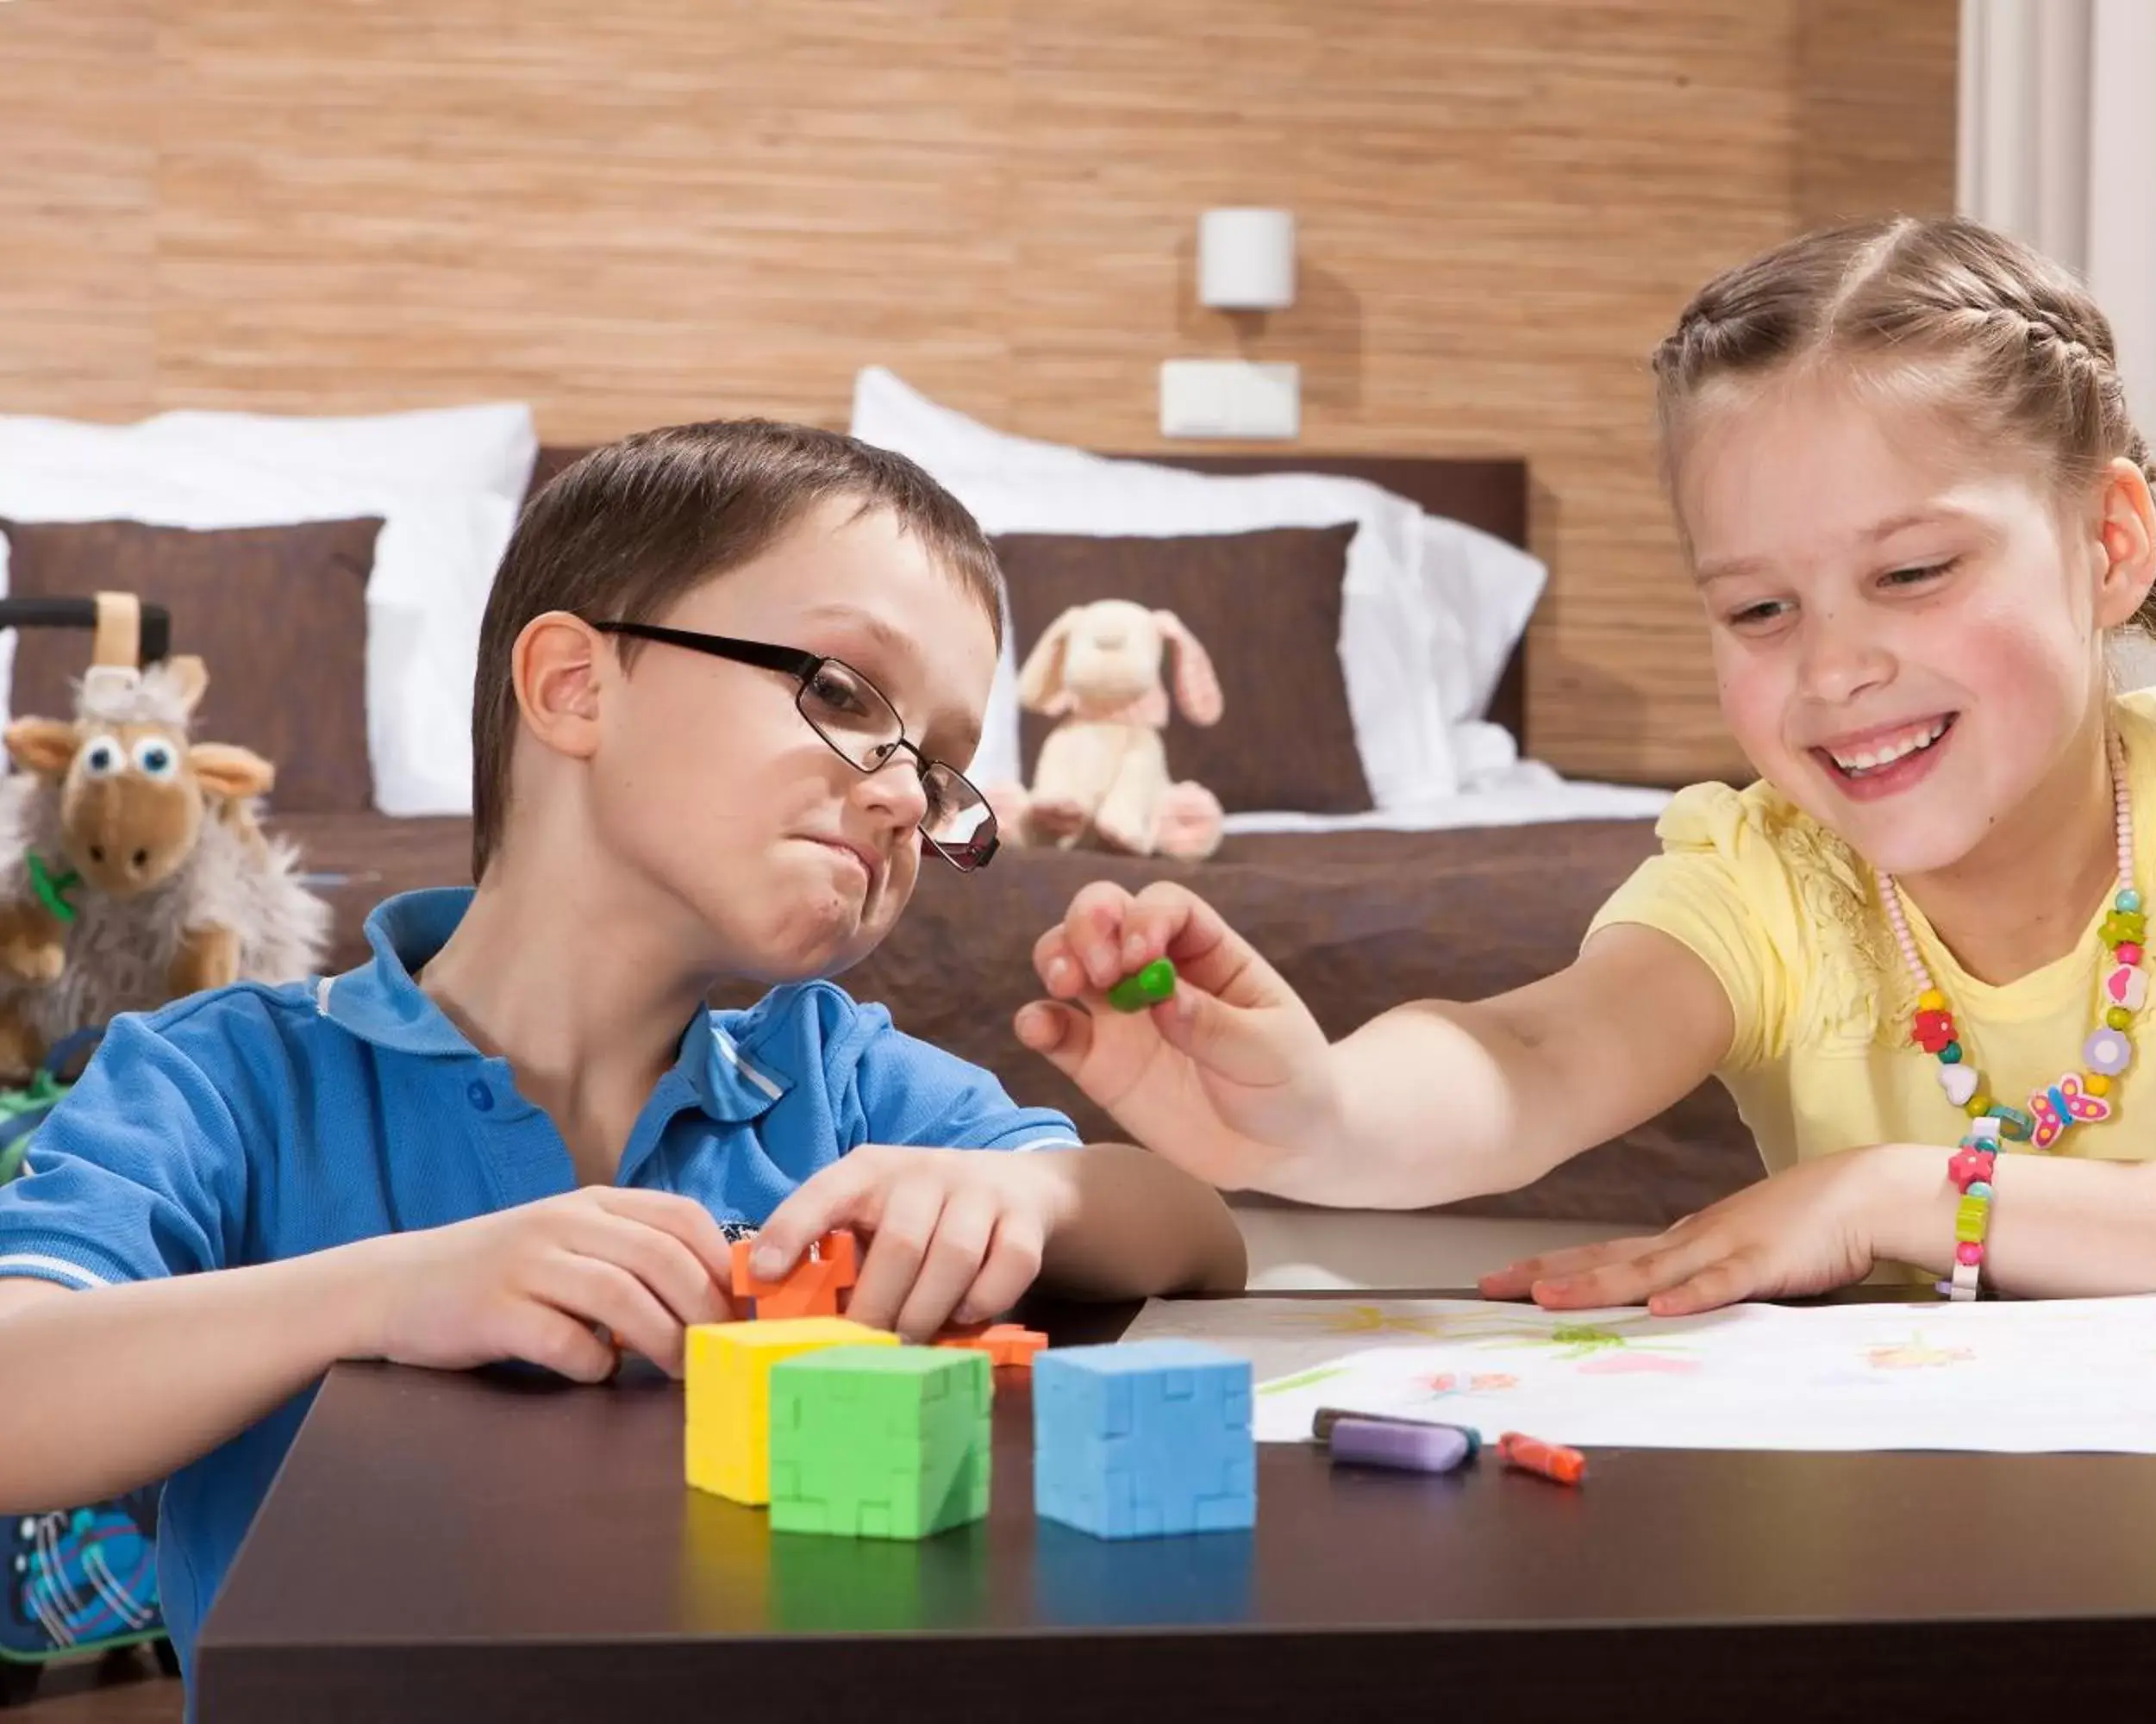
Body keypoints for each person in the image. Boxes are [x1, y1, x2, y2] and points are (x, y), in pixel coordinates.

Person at [1017, 215, 2156, 1320]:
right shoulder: (1768, 870)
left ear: (2109, 545)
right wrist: (1320, 1114)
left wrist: (1898, 1193)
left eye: (1912, 571)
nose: (1832, 667)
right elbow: (1534, 1053)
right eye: (1758, 611)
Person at [0, 421, 1245, 1677]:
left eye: (944, 767)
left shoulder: (839, 1077)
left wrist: (1027, 1190)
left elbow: (1196, 1233)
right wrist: (385, 1293)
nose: (904, 797)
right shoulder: (223, 1078)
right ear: (572, 687)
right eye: (842, 693)